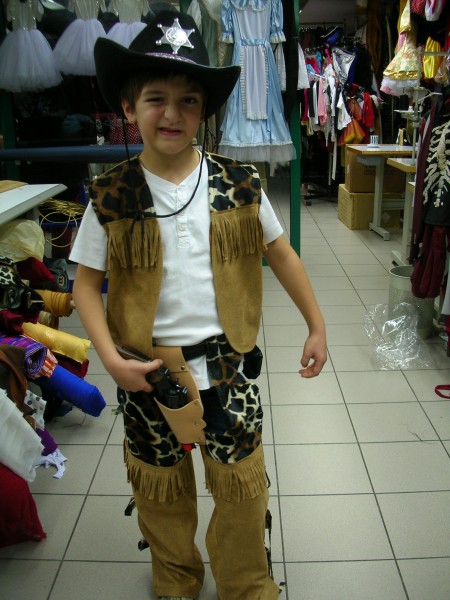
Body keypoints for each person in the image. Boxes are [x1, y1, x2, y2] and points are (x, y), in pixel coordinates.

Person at [70, 10, 327, 600]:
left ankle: (246, 582)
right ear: (129, 108)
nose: (173, 113)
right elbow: (85, 284)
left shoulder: (240, 183)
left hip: (228, 363)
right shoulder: (110, 195)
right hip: (144, 370)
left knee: (241, 486)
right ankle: (176, 580)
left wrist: (316, 324)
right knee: (160, 486)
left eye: (188, 100)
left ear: (204, 111)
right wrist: (109, 358)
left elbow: (281, 253)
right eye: (155, 99)